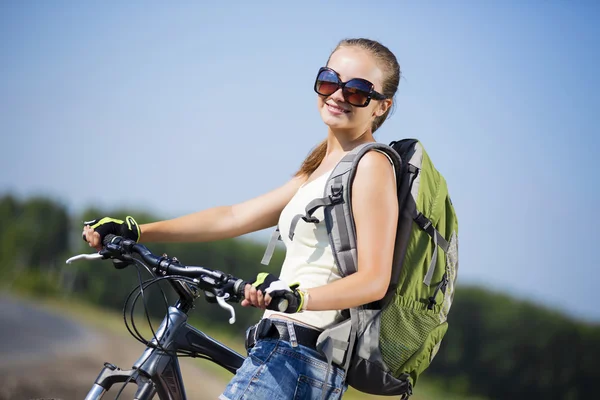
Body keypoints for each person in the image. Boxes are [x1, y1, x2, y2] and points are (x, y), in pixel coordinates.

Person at [82, 37, 401, 400]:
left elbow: (374, 279)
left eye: (358, 90)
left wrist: (298, 298)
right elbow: (233, 217)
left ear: (380, 107)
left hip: (300, 357)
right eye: (330, 80)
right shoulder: (322, 167)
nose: (338, 95)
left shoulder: (373, 165)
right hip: (281, 352)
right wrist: (137, 230)